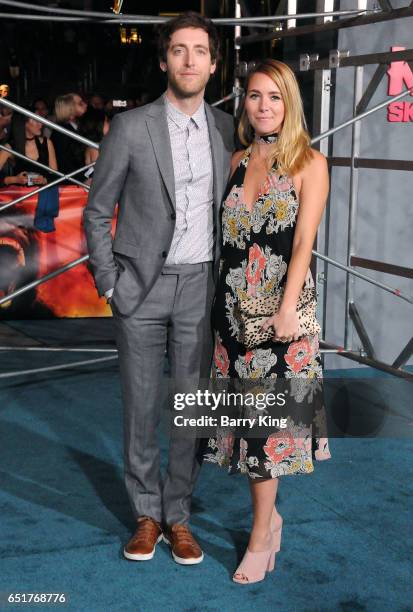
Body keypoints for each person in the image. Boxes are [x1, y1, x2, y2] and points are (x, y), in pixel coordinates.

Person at [83, 12, 233, 566]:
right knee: (141, 407)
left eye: (199, 51)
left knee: (193, 409)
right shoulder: (130, 127)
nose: (189, 60)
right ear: (164, 59)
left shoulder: (225, 128)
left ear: (214, 64)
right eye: (178, 50)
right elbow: (97, 213)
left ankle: (179, 516)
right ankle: (146, 514)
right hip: (139, 290)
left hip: (200, 286)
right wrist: (110, 284)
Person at [203, 59, 331, 584]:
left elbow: (304, 243)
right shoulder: (234, 160)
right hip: (231, 319)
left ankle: (260, 539)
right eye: (255, 96)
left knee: (265, 432)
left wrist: (286, 307)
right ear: (245, 103)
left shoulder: (309, 162)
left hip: (280, 320)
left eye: (275, 97)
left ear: (290, 103)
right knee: (240, 430)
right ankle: (268, 517)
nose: (264, 106)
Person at [0, 111, 57, 187]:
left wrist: (44, 180)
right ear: (24, 123)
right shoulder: (10, 147)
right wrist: (15, 179)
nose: (41, 124)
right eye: (36, 120)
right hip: (22, 196)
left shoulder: (47, 143)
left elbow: (56, 176)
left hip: (43, 195)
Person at [51, 94, 84, 179]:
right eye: (77, 104)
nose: (83, 106)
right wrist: (81, 178)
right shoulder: (62, 131)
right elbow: (65, 160)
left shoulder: (75, 126)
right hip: (70, 180)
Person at [77, 107, 110, 183]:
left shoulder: (95, 145)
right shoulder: (95, 147)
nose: (110, 124)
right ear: (98, 125)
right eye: (107, 121)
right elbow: (102, 172)